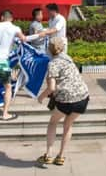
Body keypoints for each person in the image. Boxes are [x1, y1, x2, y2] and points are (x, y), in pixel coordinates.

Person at [36, 37, 89, 167]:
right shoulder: (67, 58)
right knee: (68, 125)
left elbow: (52, 87)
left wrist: (41, 97)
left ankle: (48, 155)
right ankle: (61, 156)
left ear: (49, 49)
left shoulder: (53, 63)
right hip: (83, 96)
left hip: (65, 99)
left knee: (53, 122)